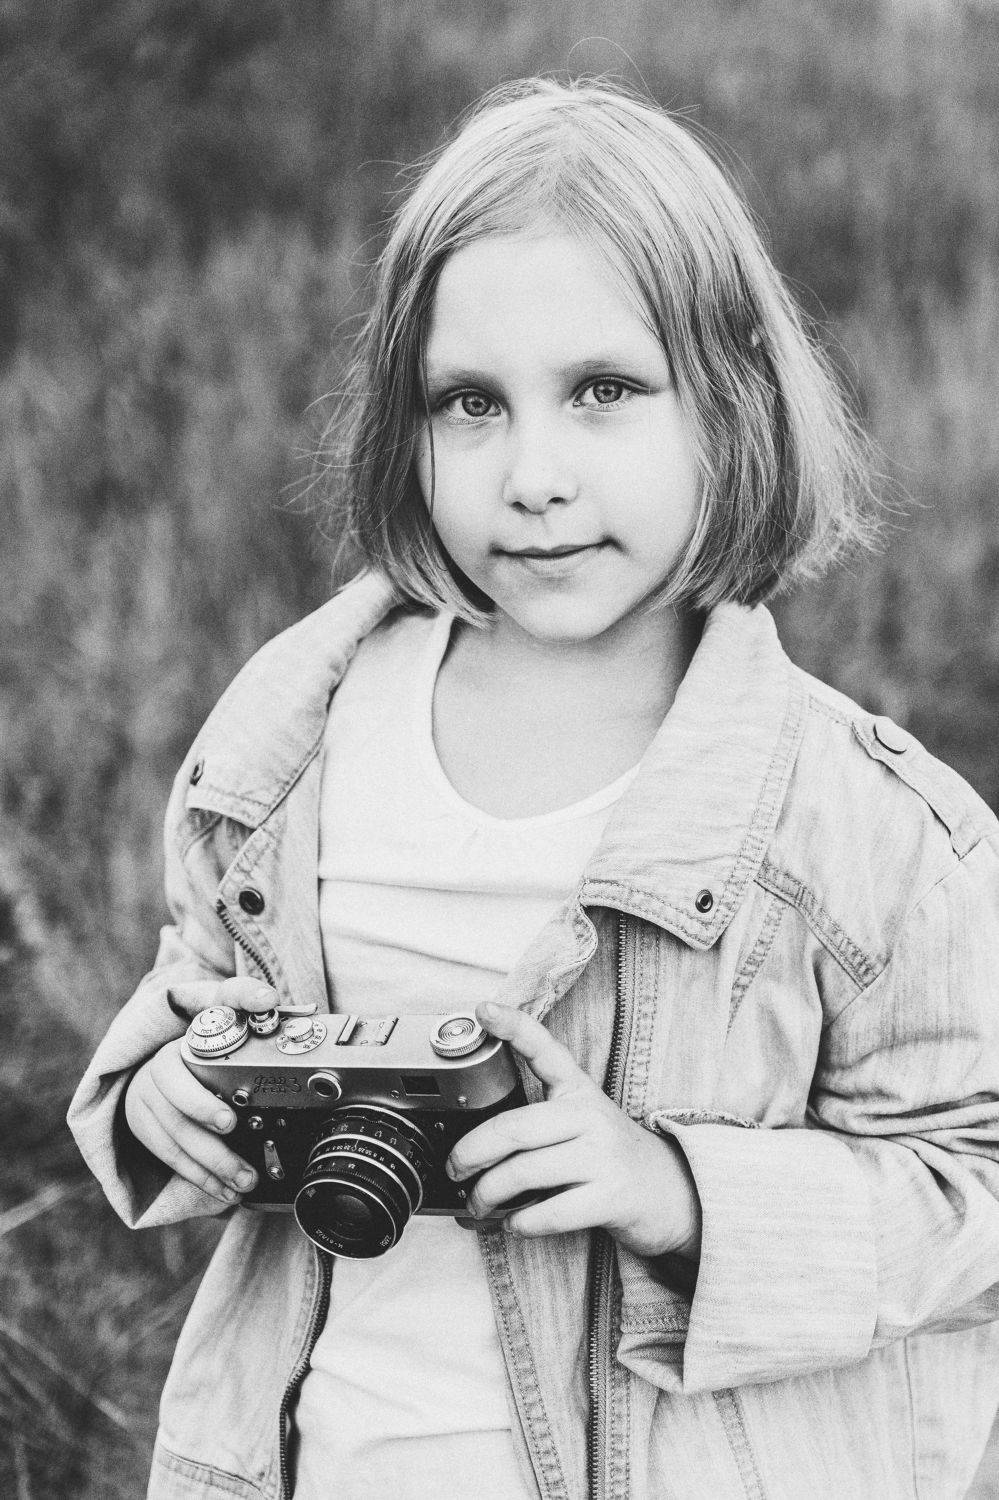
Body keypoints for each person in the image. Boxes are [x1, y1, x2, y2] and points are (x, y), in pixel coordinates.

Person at [68, 77, 999, 1500]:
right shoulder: (286, 754)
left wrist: (676, 1189)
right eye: (471, 405)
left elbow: (975, 1186)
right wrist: (164, 1102)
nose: (534, 475)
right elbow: (194, 1005)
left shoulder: (867, 832)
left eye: (604, 392)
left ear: (735, 400)